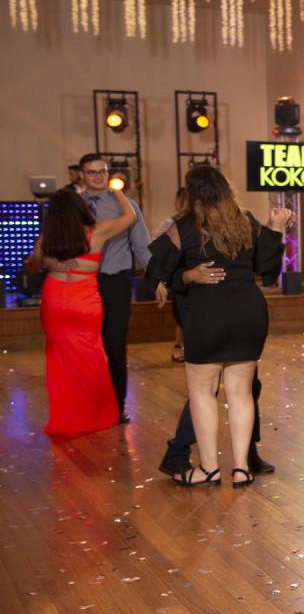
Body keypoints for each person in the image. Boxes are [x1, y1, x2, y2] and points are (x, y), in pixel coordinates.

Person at [147, 165, 289, 488]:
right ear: (226, 188)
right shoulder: (246, 221)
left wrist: (184, 277)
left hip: (207, 313)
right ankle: (241, 469)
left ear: (192, 193)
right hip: (247, 312)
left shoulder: (185, 227)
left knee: (202, 392)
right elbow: (267, 270)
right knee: (241, 393)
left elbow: (158, 267)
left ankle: (209, 469)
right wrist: (276, 228)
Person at [36, 188, 135, 434]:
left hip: (55, 299)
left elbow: (31, 263)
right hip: (84, 301)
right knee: (91, 358)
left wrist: (49, 261)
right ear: (80, 208)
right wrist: (117, 192)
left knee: (60, 360)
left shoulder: (48, 238)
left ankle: (67, 417)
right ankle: (94, 415)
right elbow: (130, 216)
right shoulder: (97, 231)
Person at [77, 153, 152, 423]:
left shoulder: (126, 205)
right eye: (92, 172)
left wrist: (157, 278)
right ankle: (87, 404)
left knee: (115, 345)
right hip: (82, 284)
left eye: (103, 171)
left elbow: (141, 245)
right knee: (86, 346)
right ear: (82, 175)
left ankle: (117, 406)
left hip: (116, 282)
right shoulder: (74, 205)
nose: (99, 176)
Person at [154, 188, 188, 362]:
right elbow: (158, 251)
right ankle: (178, 346)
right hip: (178, 276)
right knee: (182, 312)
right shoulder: (170, 223)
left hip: (194, 275)